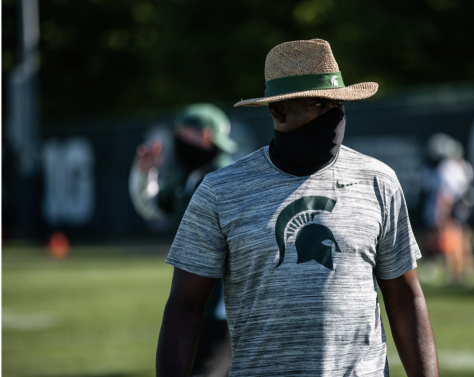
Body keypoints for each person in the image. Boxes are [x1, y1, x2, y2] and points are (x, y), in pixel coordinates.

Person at [157, 39, 438, 376]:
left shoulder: (379, 180)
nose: (333, 116)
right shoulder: (221, 190)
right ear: (279, 110)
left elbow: (405, 295)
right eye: (320, 104)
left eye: (339, 104)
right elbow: (185, 305)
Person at [129, 103, 237, 376]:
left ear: (205, 136)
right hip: (198, 302)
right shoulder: (187, 178)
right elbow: (151, 206)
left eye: (184, 133)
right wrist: (144, 174)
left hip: (220, 308)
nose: (178, 141)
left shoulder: (224, 177)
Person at [422, 133, 474, 283]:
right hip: (463, 203)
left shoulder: (447, 167)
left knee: (453, 239)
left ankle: (456, 275)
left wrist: (443, 212)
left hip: (453, 205)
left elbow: (446, 194)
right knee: (463, 237)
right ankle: (462, 272)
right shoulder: (464, 166)